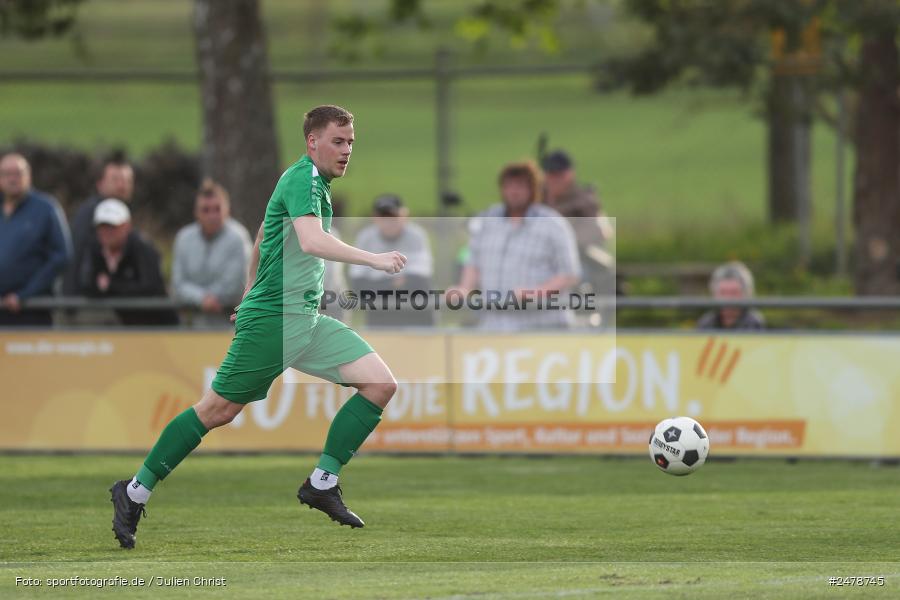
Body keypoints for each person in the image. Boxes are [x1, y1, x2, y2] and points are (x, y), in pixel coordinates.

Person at [109, 105, 408, 548]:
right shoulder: (303, 179)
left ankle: (322, 483)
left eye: (350, 143)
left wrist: (248, 287)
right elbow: (312, 241)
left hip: (305, 320)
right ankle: (134, 492)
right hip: (275, 321)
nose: (346, 150)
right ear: (312, 142)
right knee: (216, 410)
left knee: (380, 384)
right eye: (338, 141)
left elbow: (265, 233)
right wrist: (374, 259)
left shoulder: (313, 183)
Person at [450, 160, 581, 331]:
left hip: (540, 325)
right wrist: (464, 289)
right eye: (509, 186)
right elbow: (473, 262)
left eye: (520, 186)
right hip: (494, 326)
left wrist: (535, 293)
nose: (514, 191)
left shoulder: (553, 224)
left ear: (533, 189)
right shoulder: (487, 221)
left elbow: (569, 274)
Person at [77, 198, 178, 326]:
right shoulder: (94, 248)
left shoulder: (143, 248)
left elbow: (150, 288)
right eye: (102, 227)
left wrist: (110, 285)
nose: (106, 232)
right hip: (123, 325)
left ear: (126, 226)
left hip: (157, 326)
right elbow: (87, 285)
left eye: (112, 226)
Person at [0, 153, 70, 326]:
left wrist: (24, 294)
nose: (12, 179)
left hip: (32, 309)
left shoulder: (46, 209)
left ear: (29, 176)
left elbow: (61, 256)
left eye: (18, 173)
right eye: (7, 174)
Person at [172, 179, 252, 327]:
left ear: (227, 210)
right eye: (205, 210)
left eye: (217, 209)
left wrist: (209, 298)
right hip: (191, 327)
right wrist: (202, 298)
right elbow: (178, 284)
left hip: (231, 325)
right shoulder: (183, 238)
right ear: (196, 212)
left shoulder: (238, 238)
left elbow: (237, 283)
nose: (212, 215)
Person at [348, 194, 435, 327]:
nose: (388, 221)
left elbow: (420, 282)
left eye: (393, 216)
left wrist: (378, 286)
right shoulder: (365, 238)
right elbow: (358, 286)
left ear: (404, 215)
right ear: (375, 218)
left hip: (417, 313)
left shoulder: (417, 236)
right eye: (384, 216)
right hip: (379, 314)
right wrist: (397, 282)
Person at [541, 149, 615, 295]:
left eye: (558, 175)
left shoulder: (584, 201)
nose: (554, 179)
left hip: (581, 260)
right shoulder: (538, 201)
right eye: (550, 174)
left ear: (570, 174)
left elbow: (600, 232)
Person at [64, 153, 134, 295]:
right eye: (115, 179)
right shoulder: (90, 214)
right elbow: (77, 257)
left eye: (127, 180)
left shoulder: (126, 211)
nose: (122, 185)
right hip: (84, 299)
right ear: (100, 184)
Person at [697, 261, 765, 330]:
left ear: (746, 294)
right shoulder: (707, 322)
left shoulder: (753, 323)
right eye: (723, 293)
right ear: (715, 294)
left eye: (734, 293)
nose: (728, 299)